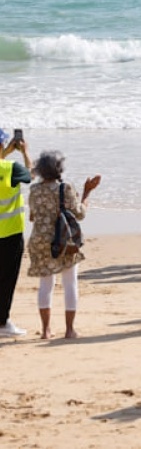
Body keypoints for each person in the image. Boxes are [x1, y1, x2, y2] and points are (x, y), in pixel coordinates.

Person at [27, 151, 100, 339]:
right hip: (63, 240)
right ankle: (69, 329)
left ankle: (46, 330)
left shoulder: (34, 190)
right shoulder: (65, 188)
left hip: (39, 240)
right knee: (70, 283)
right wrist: (86, 192)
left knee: (45, 284)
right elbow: (80, 213)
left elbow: (32, 215)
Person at [0, 136, 32, 338]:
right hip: (9, 233)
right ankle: (3, 322)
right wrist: (25, 152)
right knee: (6, 280)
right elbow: (31, 175)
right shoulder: (10, 168)